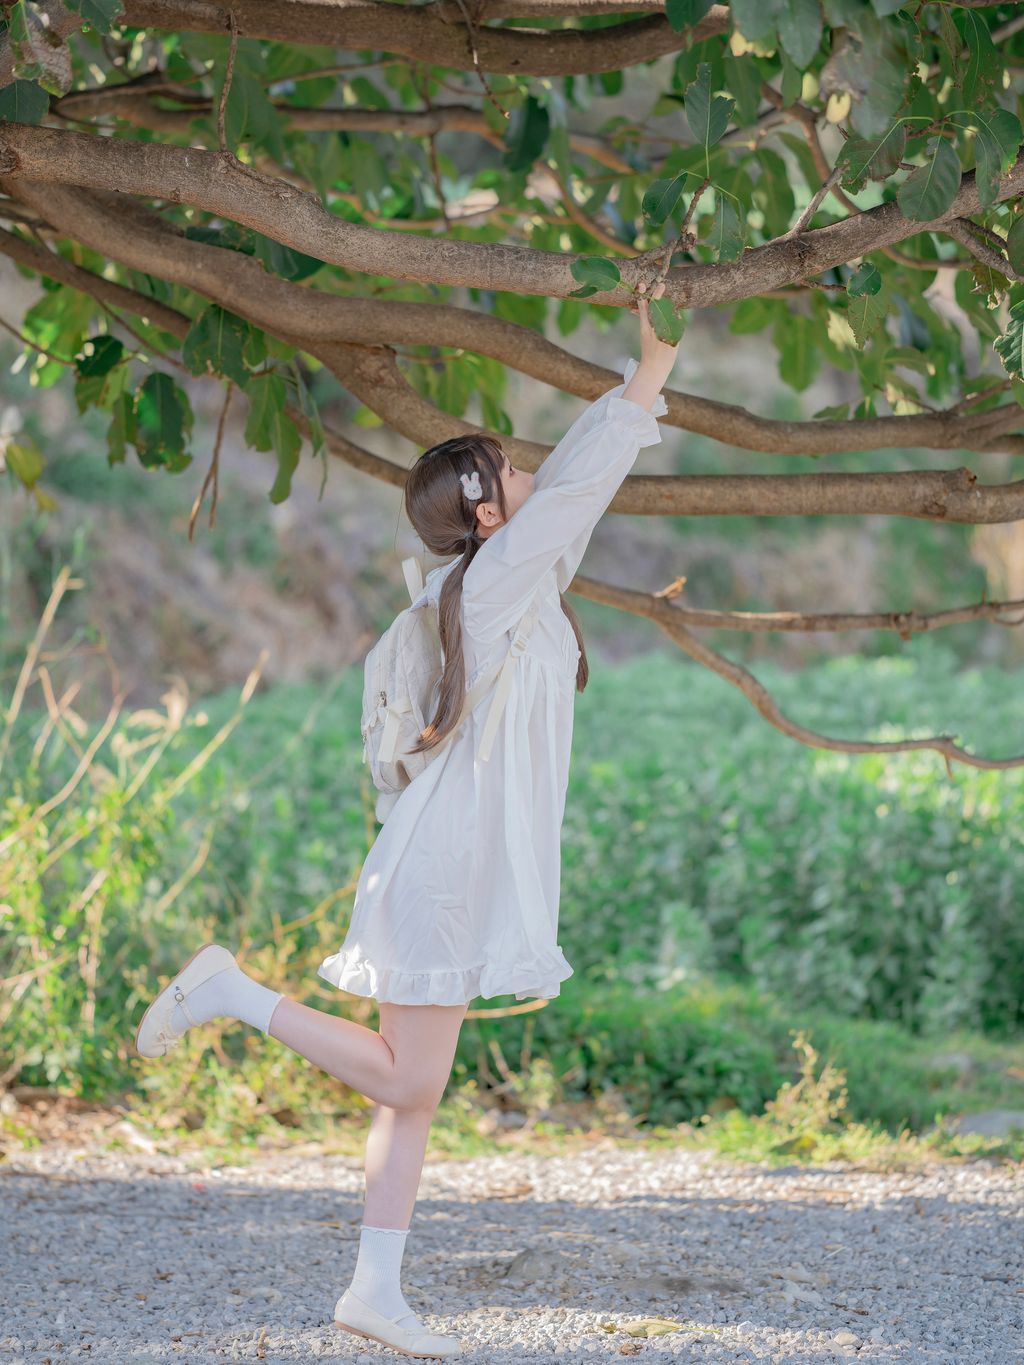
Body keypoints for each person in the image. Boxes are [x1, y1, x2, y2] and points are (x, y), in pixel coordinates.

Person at [133, 280, 680, 1359]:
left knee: (409, 1093)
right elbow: (578, 489)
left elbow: (571, 480)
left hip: (447, 861)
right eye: (507, 471)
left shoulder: (514, 580)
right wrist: (652, 367)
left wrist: (641, 376)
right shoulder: (495, 585)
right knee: (408, 1078)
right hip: (444, 867)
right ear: (488, 517)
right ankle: (231, 991)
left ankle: (371, 1289)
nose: (526, 472)